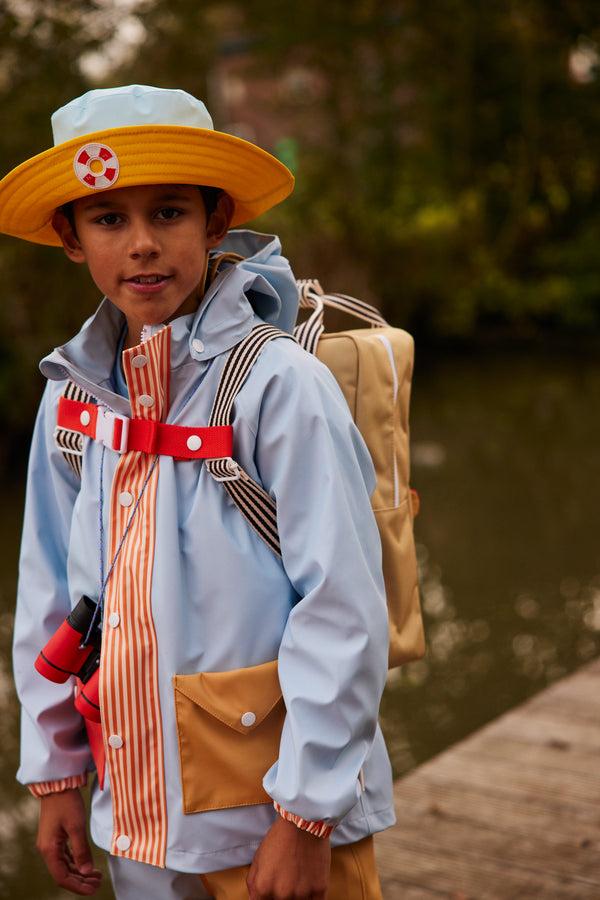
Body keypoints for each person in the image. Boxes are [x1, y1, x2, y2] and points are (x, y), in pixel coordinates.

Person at [2, 84, 395, 899]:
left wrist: (306, 815)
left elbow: (345, 607)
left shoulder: (277, 384)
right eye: (109, 219)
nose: (142, 244)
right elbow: (46, 592)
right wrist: (54, 773)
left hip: (274, 812)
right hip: (137, 815)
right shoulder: (69, 396)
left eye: (170, 213)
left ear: (216, 224)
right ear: (70, 237)